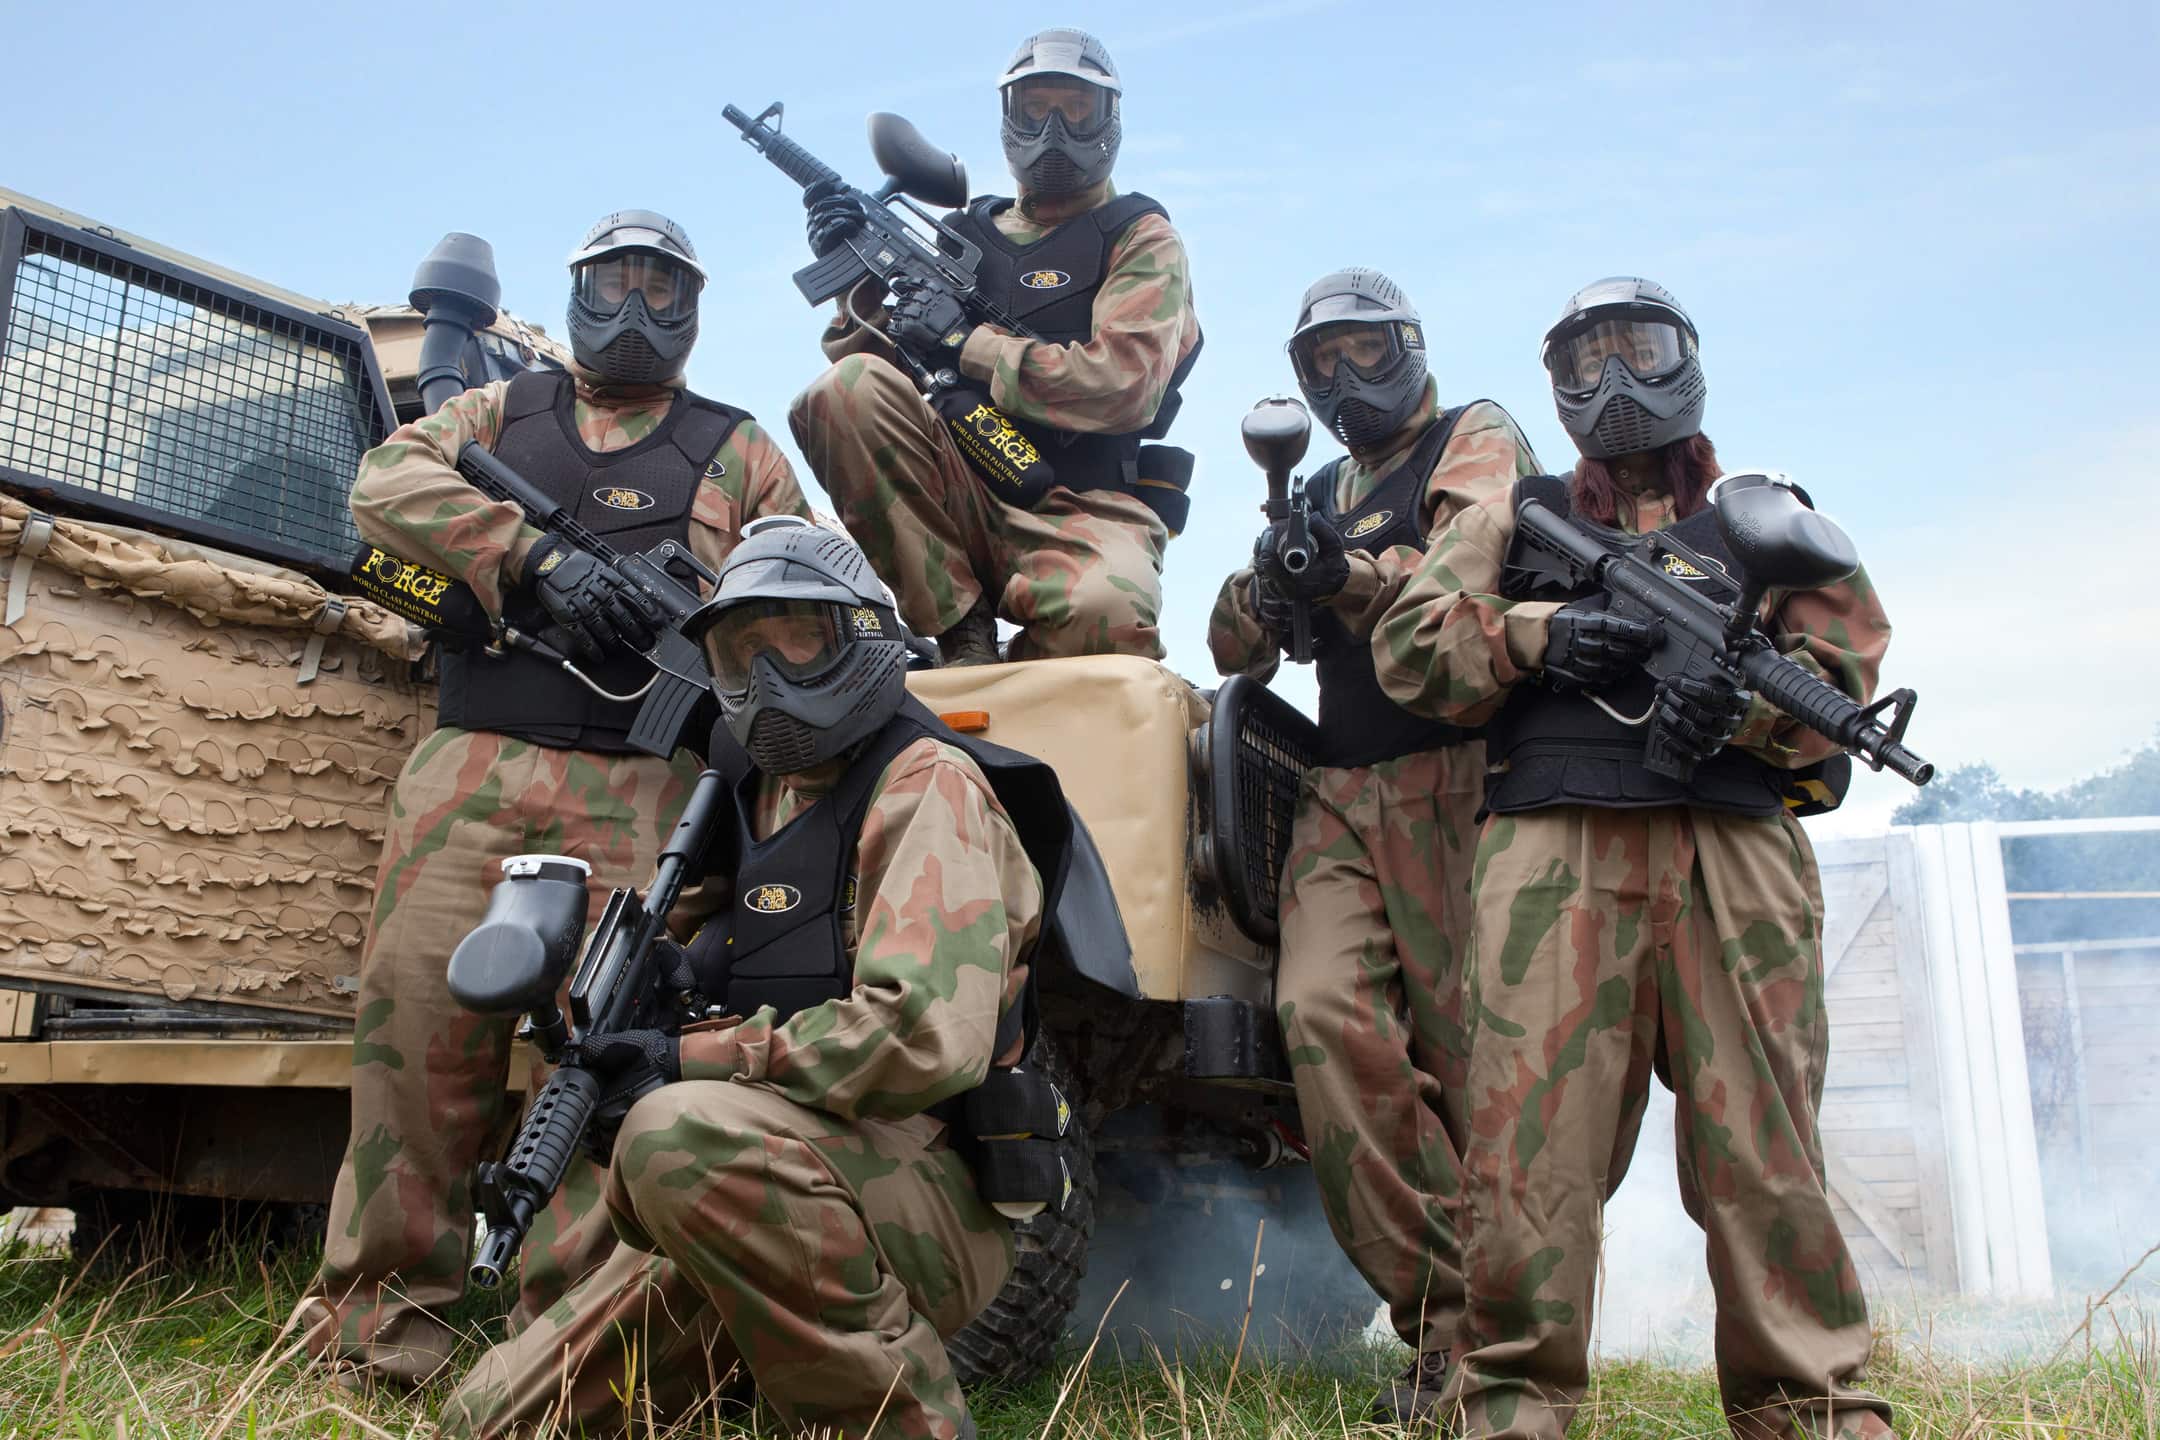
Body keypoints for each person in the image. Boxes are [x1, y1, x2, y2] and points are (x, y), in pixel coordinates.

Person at [1372, 276, 1898, 1439]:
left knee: (1765, 1148)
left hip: (1734, 844)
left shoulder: (1768, 519)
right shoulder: (1516, 513)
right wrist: (1539, 635)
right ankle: (1510, 1402)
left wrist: (1742, 710)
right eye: (1583, 362)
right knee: (1529, 1155)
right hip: (1554, 846)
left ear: (1690, 362)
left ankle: (1806, 1404)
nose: (1613, 383)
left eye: (1639, 352)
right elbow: (1410, 648)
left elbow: (1838, 687)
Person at [302, 211, 811, 1388]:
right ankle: (377, 1329)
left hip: (642, 790)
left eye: (663, 291)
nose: (636, 311)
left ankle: (562, 1346)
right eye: (614, 283)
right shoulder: (501, 414)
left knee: (602, 1060)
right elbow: (384, 482)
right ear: (578, 290)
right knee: (417, 1045)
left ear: (694, 308)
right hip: (469, 772)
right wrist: (531, 559)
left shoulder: (739, 451)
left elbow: (805, 590)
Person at [441, 518, 1068, 1440]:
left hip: (928, 1187)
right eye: (743, 652)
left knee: (675, 1131)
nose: (769, 681)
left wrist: (685, 1055)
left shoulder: (926, 784)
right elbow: (726, 952)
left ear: (859, 637)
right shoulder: (751, 790)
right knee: (486, 1421)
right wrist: (649, 1006)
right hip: (775, 1170)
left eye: (798, 641)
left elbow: (922, 1037)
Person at [1206, 267, 1541, 1425]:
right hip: (1342, 791)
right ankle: (1443, 1321)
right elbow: (1228, 646)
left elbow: (1455, 589)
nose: (1345, 378)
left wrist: (1350, 575)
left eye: (1363, 350)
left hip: (1462, 777)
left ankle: (1498, 1344)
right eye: (1319, 365)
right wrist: (1272, 577)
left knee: (1468, 1067)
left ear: (1411, 340)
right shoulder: (1323, 488)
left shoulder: (1473, 436)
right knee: (1320, 1019)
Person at [788, 26, 1202, 665]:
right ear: (1009, 117)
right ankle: (961, 631)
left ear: (1109, 121)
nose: (1054, 130)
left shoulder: (1139, 238)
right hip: (961, 486)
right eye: (1036, 110)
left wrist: (967, 342)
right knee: (840, 392)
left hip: (1081, 507)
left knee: (1107, 616)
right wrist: (860, 281)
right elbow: (873, 389)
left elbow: (1125, 385)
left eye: (1076, 109)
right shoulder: (961, 235)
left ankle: (1029, 693)